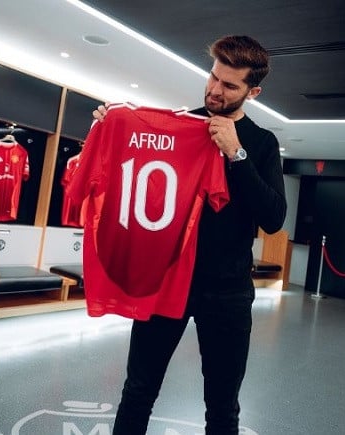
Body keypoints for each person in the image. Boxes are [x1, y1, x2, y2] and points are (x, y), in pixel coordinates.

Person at [91, 35, 287, 434]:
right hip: (166, 280)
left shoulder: (263, 143)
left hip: (228, 289)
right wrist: (110, 130)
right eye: (213, 77)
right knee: (139, 390)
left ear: (254, 91)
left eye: (230, 85)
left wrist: (237, 154)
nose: (215, 90)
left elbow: (274, 218)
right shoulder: (179, 126)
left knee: (222, 405)